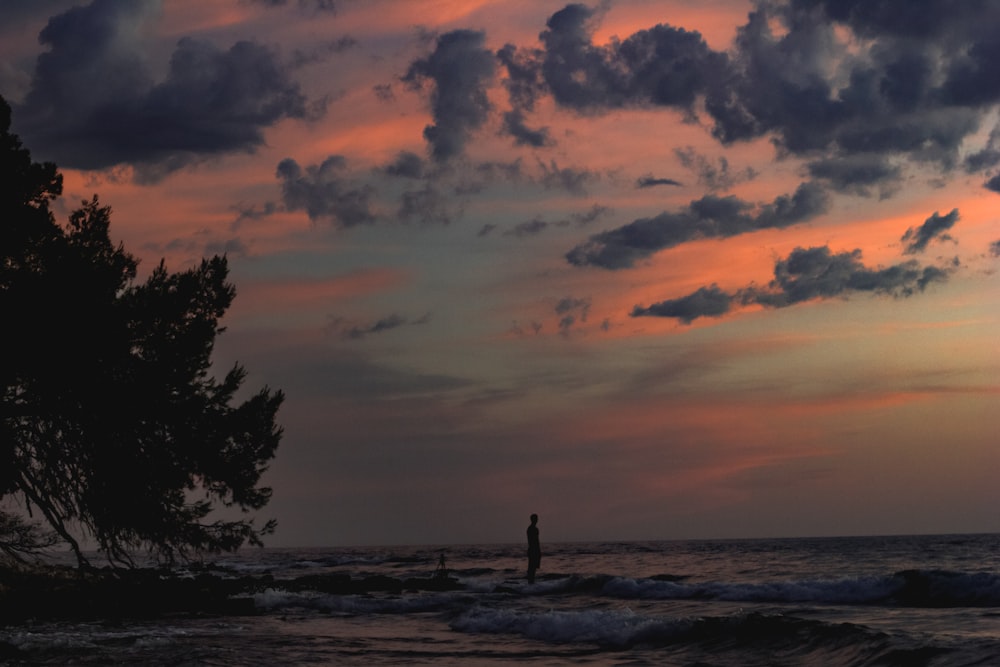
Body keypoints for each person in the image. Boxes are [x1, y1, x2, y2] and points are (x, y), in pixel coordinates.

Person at [526, 513, 541, 583]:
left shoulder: (533, 528)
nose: (537, 520)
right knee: (532, 568)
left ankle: (531, 582)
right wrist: (537, 550)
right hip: (533, 549)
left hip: (533, 549)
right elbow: (534, 541)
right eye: (536, 519)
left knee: (533, 567)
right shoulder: (532, 529)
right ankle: (530, 582)